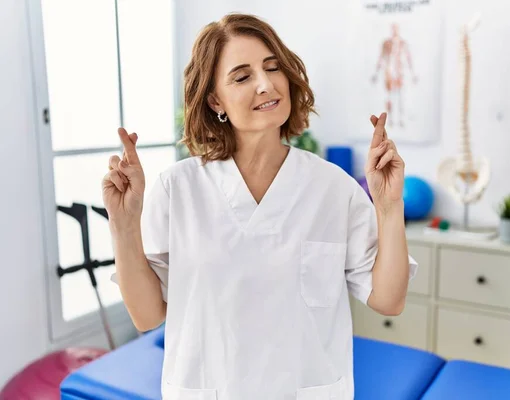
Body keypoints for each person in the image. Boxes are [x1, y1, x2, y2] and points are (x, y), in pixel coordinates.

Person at [103, 13, 417, 400]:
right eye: (242, 76)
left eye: (273, 68)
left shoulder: (333, 188)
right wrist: (123, 224)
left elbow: (389, 299)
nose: (266, 84)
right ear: (215, 99)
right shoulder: (178, 188)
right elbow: (147, 315)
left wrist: (389, 207)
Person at [371, 22, 418, 128]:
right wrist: (376, 73)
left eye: (396, 29)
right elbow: (381, 58)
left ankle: (401, 119)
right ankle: (390, 120)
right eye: (393, 29)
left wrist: (413, 74)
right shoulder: (386, 43)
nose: (395, 31)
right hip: (389, 73)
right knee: (390, 97)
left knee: (401, 96)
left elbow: (408, 58)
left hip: (399, 72)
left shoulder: (402, 43)